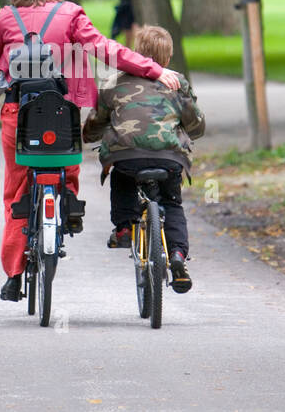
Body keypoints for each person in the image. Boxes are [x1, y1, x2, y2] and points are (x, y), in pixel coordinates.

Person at [0, 0, 180, 301]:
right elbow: (106, 49)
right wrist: (153, 68)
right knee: (65, 164)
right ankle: (68, 202)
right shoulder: (71, 15)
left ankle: (13, 274)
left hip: (18, 114)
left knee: (16, 189)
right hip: (62, 113)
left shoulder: (6, 18)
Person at [82, 24, 205, 293]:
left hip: (127, 157)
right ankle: (178, 257)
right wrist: (192, 132)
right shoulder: (177, 82)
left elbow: (97, 121)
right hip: (170, 158)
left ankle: (124, 227)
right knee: (171, 204)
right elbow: (195, 123)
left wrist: (87, 136)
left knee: (121, 177)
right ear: (169, 56)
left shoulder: (113, 82)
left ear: (136, 52)